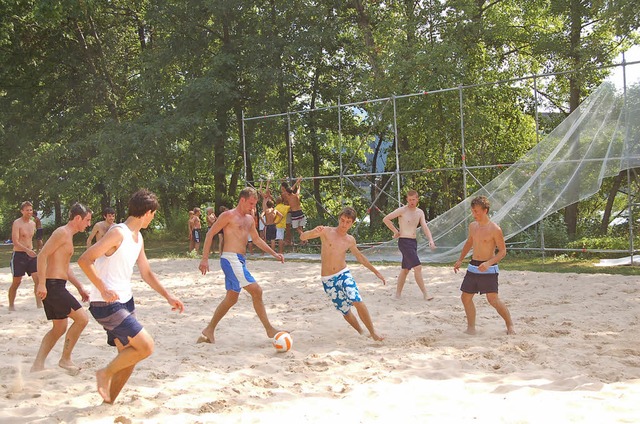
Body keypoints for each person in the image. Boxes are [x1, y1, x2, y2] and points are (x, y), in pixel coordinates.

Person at [78, 189, 184, 404]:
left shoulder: (138, 237)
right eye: (153, 214)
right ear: (147, 212)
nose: (153, 218)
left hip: (125, 301)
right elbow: (84, 259)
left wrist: (168, 296)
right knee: (146, 347)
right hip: (106, 303)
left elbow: (146, 272)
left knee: (129, 357)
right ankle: (104, 373)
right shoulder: (118, 232)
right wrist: (103, 288)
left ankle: (108, 403)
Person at [197, 187, 284, 344]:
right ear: (242, 200)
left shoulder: (250, 219)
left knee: (231, 299)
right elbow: (210, 234)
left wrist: (274, 254)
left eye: (255, 204)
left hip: (240, 260)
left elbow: (257, 240)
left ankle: (208, 330)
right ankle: (269, 330)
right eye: (251, 203)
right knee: (257, 291)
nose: (253, 208)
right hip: (230, 259)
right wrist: (204, 259)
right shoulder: (228, 215)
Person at [300, 207, 385, 341]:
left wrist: (376, 272)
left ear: (352, 223)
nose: (344, 224)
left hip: (343, 274)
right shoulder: (326, 231)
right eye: (343, 220)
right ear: (339, 218)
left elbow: (360, 257)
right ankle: (361, 331)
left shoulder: (350, 240)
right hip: (328, 279)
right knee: (345, 311)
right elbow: (303, 236)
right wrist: (312, 231)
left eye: (348, 222)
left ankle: (373, 332)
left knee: (356, 300)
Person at [32, 203, 92, 374]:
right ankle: (65, 359)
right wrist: (42, 283)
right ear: (78, 218)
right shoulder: (61, 233)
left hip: (57, 285)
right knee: (82, 319)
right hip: (52, 287)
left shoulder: (68, 236)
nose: (88, 224)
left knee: (59, 328)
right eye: (87, 220)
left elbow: (65, 267)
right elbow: (42, 255)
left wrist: (79, 287)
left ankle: (37, 366)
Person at [453, 196, 515, 335]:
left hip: (489, 267)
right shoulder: (473, 226)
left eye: (476, 211)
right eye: (472, 211)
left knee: (492, 299)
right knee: (465, 297)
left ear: (485, 210)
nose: (474, 214)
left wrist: (488, 263)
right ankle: (471, 328)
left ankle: (509, 324)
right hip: (473, 266)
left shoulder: (495, 229)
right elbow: (469, 243)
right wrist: (460, 259)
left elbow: (503, 251)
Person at [383, 190, 436, 300]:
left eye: (413, 199)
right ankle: (426, 294)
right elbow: (386, 219)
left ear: (417, 199)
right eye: (409, 199)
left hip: (413, 242)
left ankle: (397, 294)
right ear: (407, 199)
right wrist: (395, 231)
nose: (411, 202)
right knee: (418, 267)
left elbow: (425, 227)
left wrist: (430, 240)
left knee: (406, 269)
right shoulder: (402, 210)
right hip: (404, 242)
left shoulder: (420, 212)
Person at [9, 201, 42, 310]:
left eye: (30, 210)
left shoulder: (33, 223)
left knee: (37, 279)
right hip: (19, 255)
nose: (29, 212)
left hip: (31, 255)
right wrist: (27, 250)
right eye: (27, 210)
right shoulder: (17, 223)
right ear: (22, 211)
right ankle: (11, 305)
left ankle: (39, 305)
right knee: (16, 282)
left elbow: (33, 239)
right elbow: (15, 241)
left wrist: (38, 248)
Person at [281, 178, 306, 244]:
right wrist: (299, 183)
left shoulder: (288, 196)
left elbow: (291, 188)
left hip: (295, 213)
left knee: (296, 228)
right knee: (300, 227)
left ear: (288, 193)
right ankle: (302, 240)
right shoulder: (296, 195)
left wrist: (296, 182)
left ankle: (305, 238)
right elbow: (298, 189)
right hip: (300, 212)